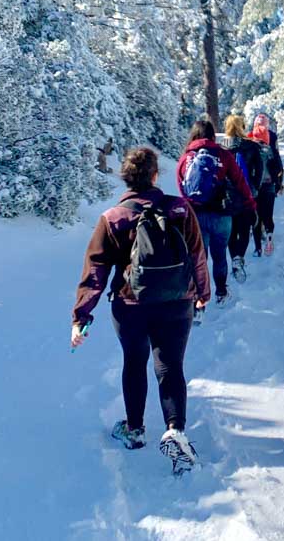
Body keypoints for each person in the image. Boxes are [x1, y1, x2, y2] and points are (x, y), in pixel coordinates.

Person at [71, 146, 209, 473]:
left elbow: (95, 271)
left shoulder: (113, 218)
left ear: (126, 179)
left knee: (135, 362)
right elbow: (198, 256)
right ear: (155, 175)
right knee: (170, 365)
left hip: (130, 305)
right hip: (177, 302)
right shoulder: (179, 208)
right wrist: (202, 293)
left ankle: (134, 430)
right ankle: (175, 430)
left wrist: (81, 316)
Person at [175, 118, 256, 304]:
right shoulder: (223, 154)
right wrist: (250, 205)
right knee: (219, 255)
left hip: (196, 217)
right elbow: (240, 182)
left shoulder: (185, 158)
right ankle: (221, 292)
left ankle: (198, 300)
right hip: (221, 215)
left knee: (198, 258)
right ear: (212, 135)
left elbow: (182, 188)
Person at [221, 114, 261, 278]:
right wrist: (254, 189)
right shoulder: (251, 146)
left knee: (231, 231)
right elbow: (258, 170)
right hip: (246, 194)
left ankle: (234, 258)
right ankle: (240, 257)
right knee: (245, 230)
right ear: (242, 127)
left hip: (226, 196)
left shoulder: (221, 147)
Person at [248, 113, 284, 256]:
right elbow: (279, 167)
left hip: (254, 188)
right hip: (269, 186)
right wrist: (279, 183)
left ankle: (257, 248)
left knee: (256, 216)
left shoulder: (250, 147)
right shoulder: (271, 148)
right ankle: (269, 236)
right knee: (268, 214)